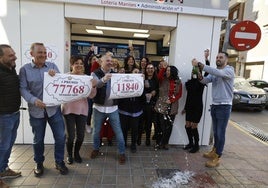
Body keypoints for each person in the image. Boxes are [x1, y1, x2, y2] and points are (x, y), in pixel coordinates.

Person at [19, 42, 68, 176]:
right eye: (40, 52)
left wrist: (56, 75)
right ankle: (39, 162)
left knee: (60, 137)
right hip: (36, 111)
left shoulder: (52, 66)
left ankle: (59, 161)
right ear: (32, 54)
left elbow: (61, 83)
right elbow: (23, 88)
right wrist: (33, 100)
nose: (43, 55)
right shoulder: (24, 70)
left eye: (45, 53)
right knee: (38, 139)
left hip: (53, 110)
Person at [192, 51, 234, 167]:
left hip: (224, 106)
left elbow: (217, 72)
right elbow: (205, 81)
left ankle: (218, 157)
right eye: (217, 57)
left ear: (226, 60)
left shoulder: (228, 70)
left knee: (220, 133)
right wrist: (199, 74)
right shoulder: (215, 72)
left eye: (221, 57)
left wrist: (201, 64)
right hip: (215, 105)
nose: (218, 59)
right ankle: (214, 151)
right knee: (216, 132)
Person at [90, 52, 126, 164]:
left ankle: (122, 152)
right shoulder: (94, 73)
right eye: (107, 61)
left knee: (118, 132)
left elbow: (127, 82)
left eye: (111, 61)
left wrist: (139, 78)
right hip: (98, 108)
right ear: (101, 62)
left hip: (113, 108)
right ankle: (96, 149)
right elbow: (95, 84)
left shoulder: (116, 74)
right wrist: (104, 79)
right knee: (96, 131)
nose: (110, 63)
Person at [62, 56, 97, 165]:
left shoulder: (87, 78)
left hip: (82, 110)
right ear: (72, 65)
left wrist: (94, 86)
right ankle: (69, 154)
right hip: (68, 110)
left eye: (81, 64)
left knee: (81, 135)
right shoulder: (65, 77)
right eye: (76, 63)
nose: (79, 65)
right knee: (71, 136)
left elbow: (91, 96)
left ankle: (76, 153)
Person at [0, 45, 21, 187]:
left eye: (14, 54)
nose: (15, 57)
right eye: (11, 55)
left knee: (8, 146)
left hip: (14, 114)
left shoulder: (11, 69)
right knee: (2, 146)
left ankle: (4, 169)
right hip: (3, 117)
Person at [154, 64, 182, 150]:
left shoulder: (178, 82)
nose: (167, 72)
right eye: (167, 70)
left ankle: (165, 143)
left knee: (169, 126)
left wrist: (172, 100)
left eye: (169, 70)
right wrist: (163, 68)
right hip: (162, 104)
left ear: (173, 72)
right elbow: (157, 77)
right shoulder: (163, 79)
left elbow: (179, 94)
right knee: (160, 125)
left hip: (172, 106)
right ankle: (159, 142)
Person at [118, 69, 145, 153]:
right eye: (135, 72)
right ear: (131, 74)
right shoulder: (125, 81)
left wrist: (142, 83)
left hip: (136, 109)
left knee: (134, 129)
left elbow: (143, 97)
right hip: (124, 108)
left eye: (138, 72)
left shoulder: (141, 83)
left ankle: (133, 144)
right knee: (124, 128)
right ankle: (124, 143)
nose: (137, 74)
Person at [181, 66, 206, 153]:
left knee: (194, 126)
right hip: (189, 107)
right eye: (193, 71)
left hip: (198, 107)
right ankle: (190, 143)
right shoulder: (189, 83)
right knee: (187, 125)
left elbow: (207, 73)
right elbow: (188, 96)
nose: (193, 73)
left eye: (196, 72)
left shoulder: (202, 82)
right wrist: (185, 108)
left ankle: (196, 145)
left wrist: (206, 61)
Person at [138, 63, 159, 146]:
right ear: (145, 70)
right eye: (148, 68)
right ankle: (138, 138)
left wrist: (155, 92)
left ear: (154, 70)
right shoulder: (142, 78)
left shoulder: (156, 80)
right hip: (142, 104)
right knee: (140, 123)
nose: (150, 70)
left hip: (151, 104)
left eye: (151, 68)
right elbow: (138, 89)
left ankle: (147, 139)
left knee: (149, 123)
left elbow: (158, 90)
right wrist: (144, 94)